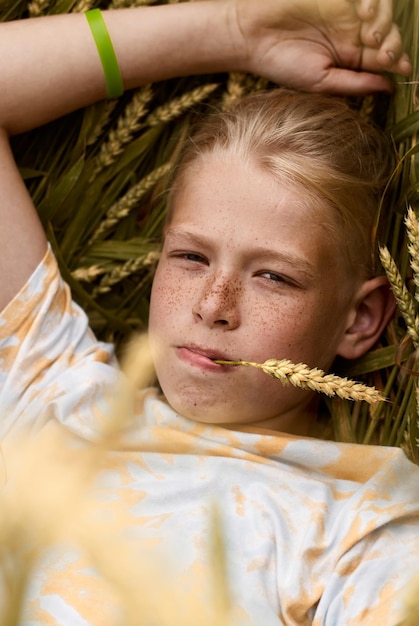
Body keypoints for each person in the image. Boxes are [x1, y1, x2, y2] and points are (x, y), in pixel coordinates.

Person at [0, 1, 417, 624]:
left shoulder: (365, 528)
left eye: (274, 276)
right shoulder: (52, 389)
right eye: (192, 257)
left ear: (359, 320)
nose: (213, 306)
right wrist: (231, 31)